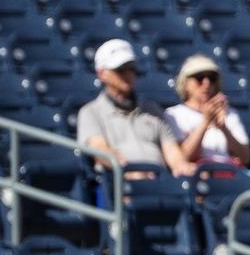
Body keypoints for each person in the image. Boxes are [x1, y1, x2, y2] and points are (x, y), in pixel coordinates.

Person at [76, 38, 188, 176]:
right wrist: (130, 171)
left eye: (131, 68)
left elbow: (172, 152)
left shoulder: (152, 110)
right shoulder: (90, 112)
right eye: (120, 70)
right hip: (119, 186)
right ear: (101, 74)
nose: (128, 74)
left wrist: (183, 167)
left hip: (159, 183)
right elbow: (100, 150)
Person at [164, 54, 250, 172]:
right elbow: (183, 158)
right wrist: (205, 122)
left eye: (212, 78)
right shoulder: (174, 114)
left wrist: (223, 127)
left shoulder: (230, 114)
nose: (207, 83)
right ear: (185, 84)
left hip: (229, 176)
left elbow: (246, 157)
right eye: (199, 78)